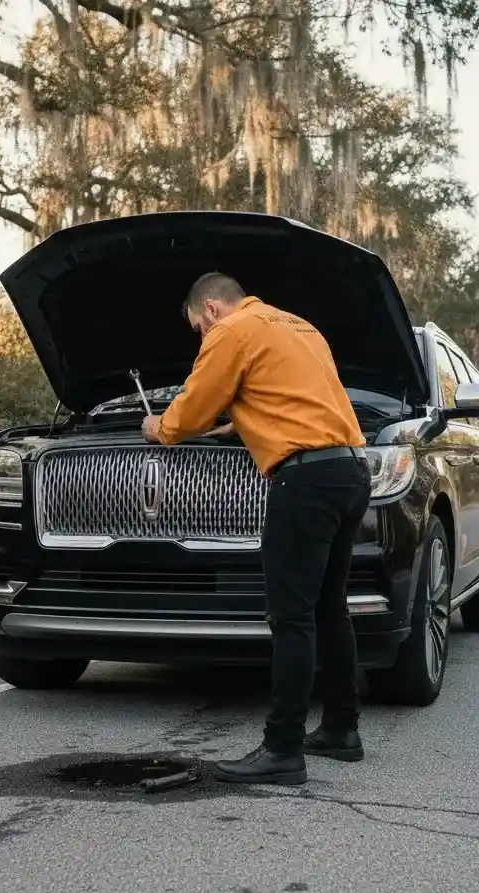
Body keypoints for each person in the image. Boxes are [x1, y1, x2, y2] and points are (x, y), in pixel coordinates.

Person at [141, 272, 372, 785]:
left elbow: (189, 412)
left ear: (212, 308)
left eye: (198, 328)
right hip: (351, 469)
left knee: (291, 617)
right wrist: (243, 421)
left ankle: (283, 750)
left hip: (306, 481)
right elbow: (296, 398)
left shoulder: (230, 330)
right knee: (330, 608)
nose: (202, 337)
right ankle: (342, 729)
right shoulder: (298, 325)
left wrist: (158, 426)